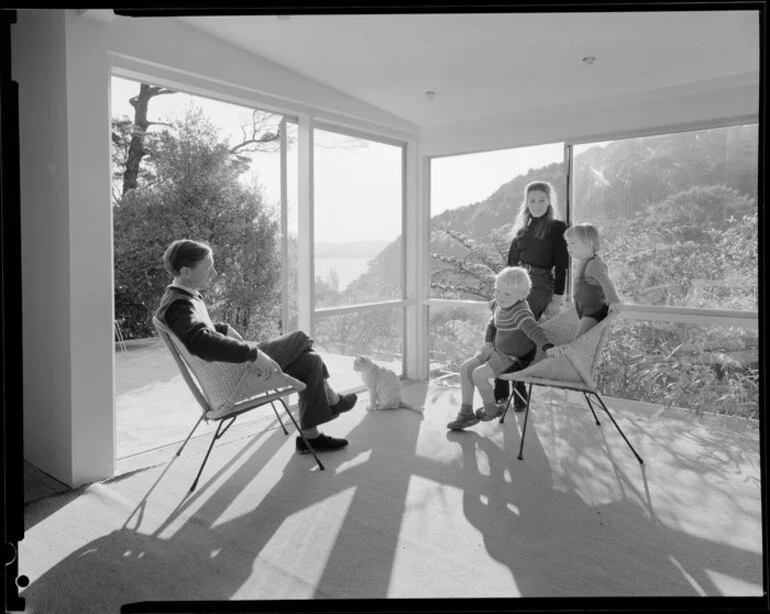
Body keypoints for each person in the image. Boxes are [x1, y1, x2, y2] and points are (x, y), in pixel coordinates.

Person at [154, 239, 357, 454]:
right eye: (208, 266)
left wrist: (222, 328)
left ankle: (310, 437)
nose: (213, 273)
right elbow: (200, 343)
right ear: (186, 271)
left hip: (237, 369)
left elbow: (199, 330)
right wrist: (251, 353)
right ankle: (333, 400)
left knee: (311, 361)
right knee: (300, 337)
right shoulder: (179, 306)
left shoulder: (182, 298)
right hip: (239, 376)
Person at [446, 267, 557, 431]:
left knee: (478, 375)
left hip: (513, 358)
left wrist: (548, 347)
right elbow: (492, 325)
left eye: (506, 294)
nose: (500, 297)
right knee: (465, 369)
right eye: (498, 291)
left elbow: (534, 330)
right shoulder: (500, 305)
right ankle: (466, 413)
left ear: (521, 296)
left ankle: (491, 409)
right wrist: (488, 342)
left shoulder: (520, 311)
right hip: (497, 351)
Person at [494, 180, 569, 411]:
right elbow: (510, 265)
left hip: (541, 284)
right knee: (499, 326)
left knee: (520, 330)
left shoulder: (557, 227)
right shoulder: (522, 228)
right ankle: (501, 393)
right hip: (517, 281)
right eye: (532, 200)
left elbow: (562, 265)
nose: (537, 204)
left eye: (542, 200)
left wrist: (557, 298)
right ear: (526, 202)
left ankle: (519, 393)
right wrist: (500, 294)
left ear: (549, 202)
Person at [564, 223, 622, 337]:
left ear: (588, 244)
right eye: (567, 243)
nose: (568, 247)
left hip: (594, 311)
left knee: (578, 341)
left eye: (573, 243)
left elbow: (606, 282)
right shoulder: (584, 263)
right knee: (579, 340)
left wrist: (614, 302)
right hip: (585, 311)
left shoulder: (594, 264)